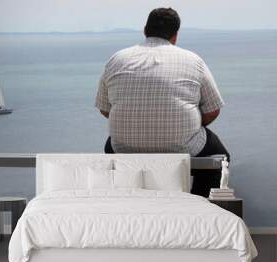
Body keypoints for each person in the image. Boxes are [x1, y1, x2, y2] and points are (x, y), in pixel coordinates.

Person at [95, 7, 229, 197]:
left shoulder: (116, 60)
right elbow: (212, 110)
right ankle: (198, 205)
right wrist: (184, 121)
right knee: (220, 159)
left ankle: (127, 201)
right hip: (183, 148)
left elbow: (105, 109)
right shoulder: (193, 61)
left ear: (145, 30)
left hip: (125, 148)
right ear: (175, 35)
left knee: (111, 145)